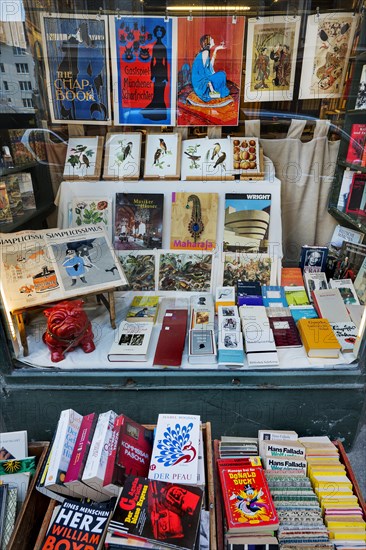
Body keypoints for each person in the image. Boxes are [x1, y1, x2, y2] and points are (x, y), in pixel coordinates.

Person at [191, 34, 229, 102]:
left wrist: (216, 49)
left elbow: (210, 66)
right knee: (222, 75)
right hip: (200, 84)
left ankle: (212, 92)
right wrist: (212, 89)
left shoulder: (206, 52)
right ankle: (208, 93)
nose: (213, 40)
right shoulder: (205, 53)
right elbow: (202, 74)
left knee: (222, 74)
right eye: (211, 39)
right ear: (207, 42)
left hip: (202, 80)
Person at [143, 25, 168, 121]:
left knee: (160, 93)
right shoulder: (155, 46)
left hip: (161, 70)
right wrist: (152, 75)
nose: (159, 33)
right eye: (157, 32)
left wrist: (166, 77)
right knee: (156, 92)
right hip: (156, 70)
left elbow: (165, 61)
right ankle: (156, 114)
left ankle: (161, 115)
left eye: (160, 32)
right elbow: (152, 60)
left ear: (162, 34)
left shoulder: (163, 46)